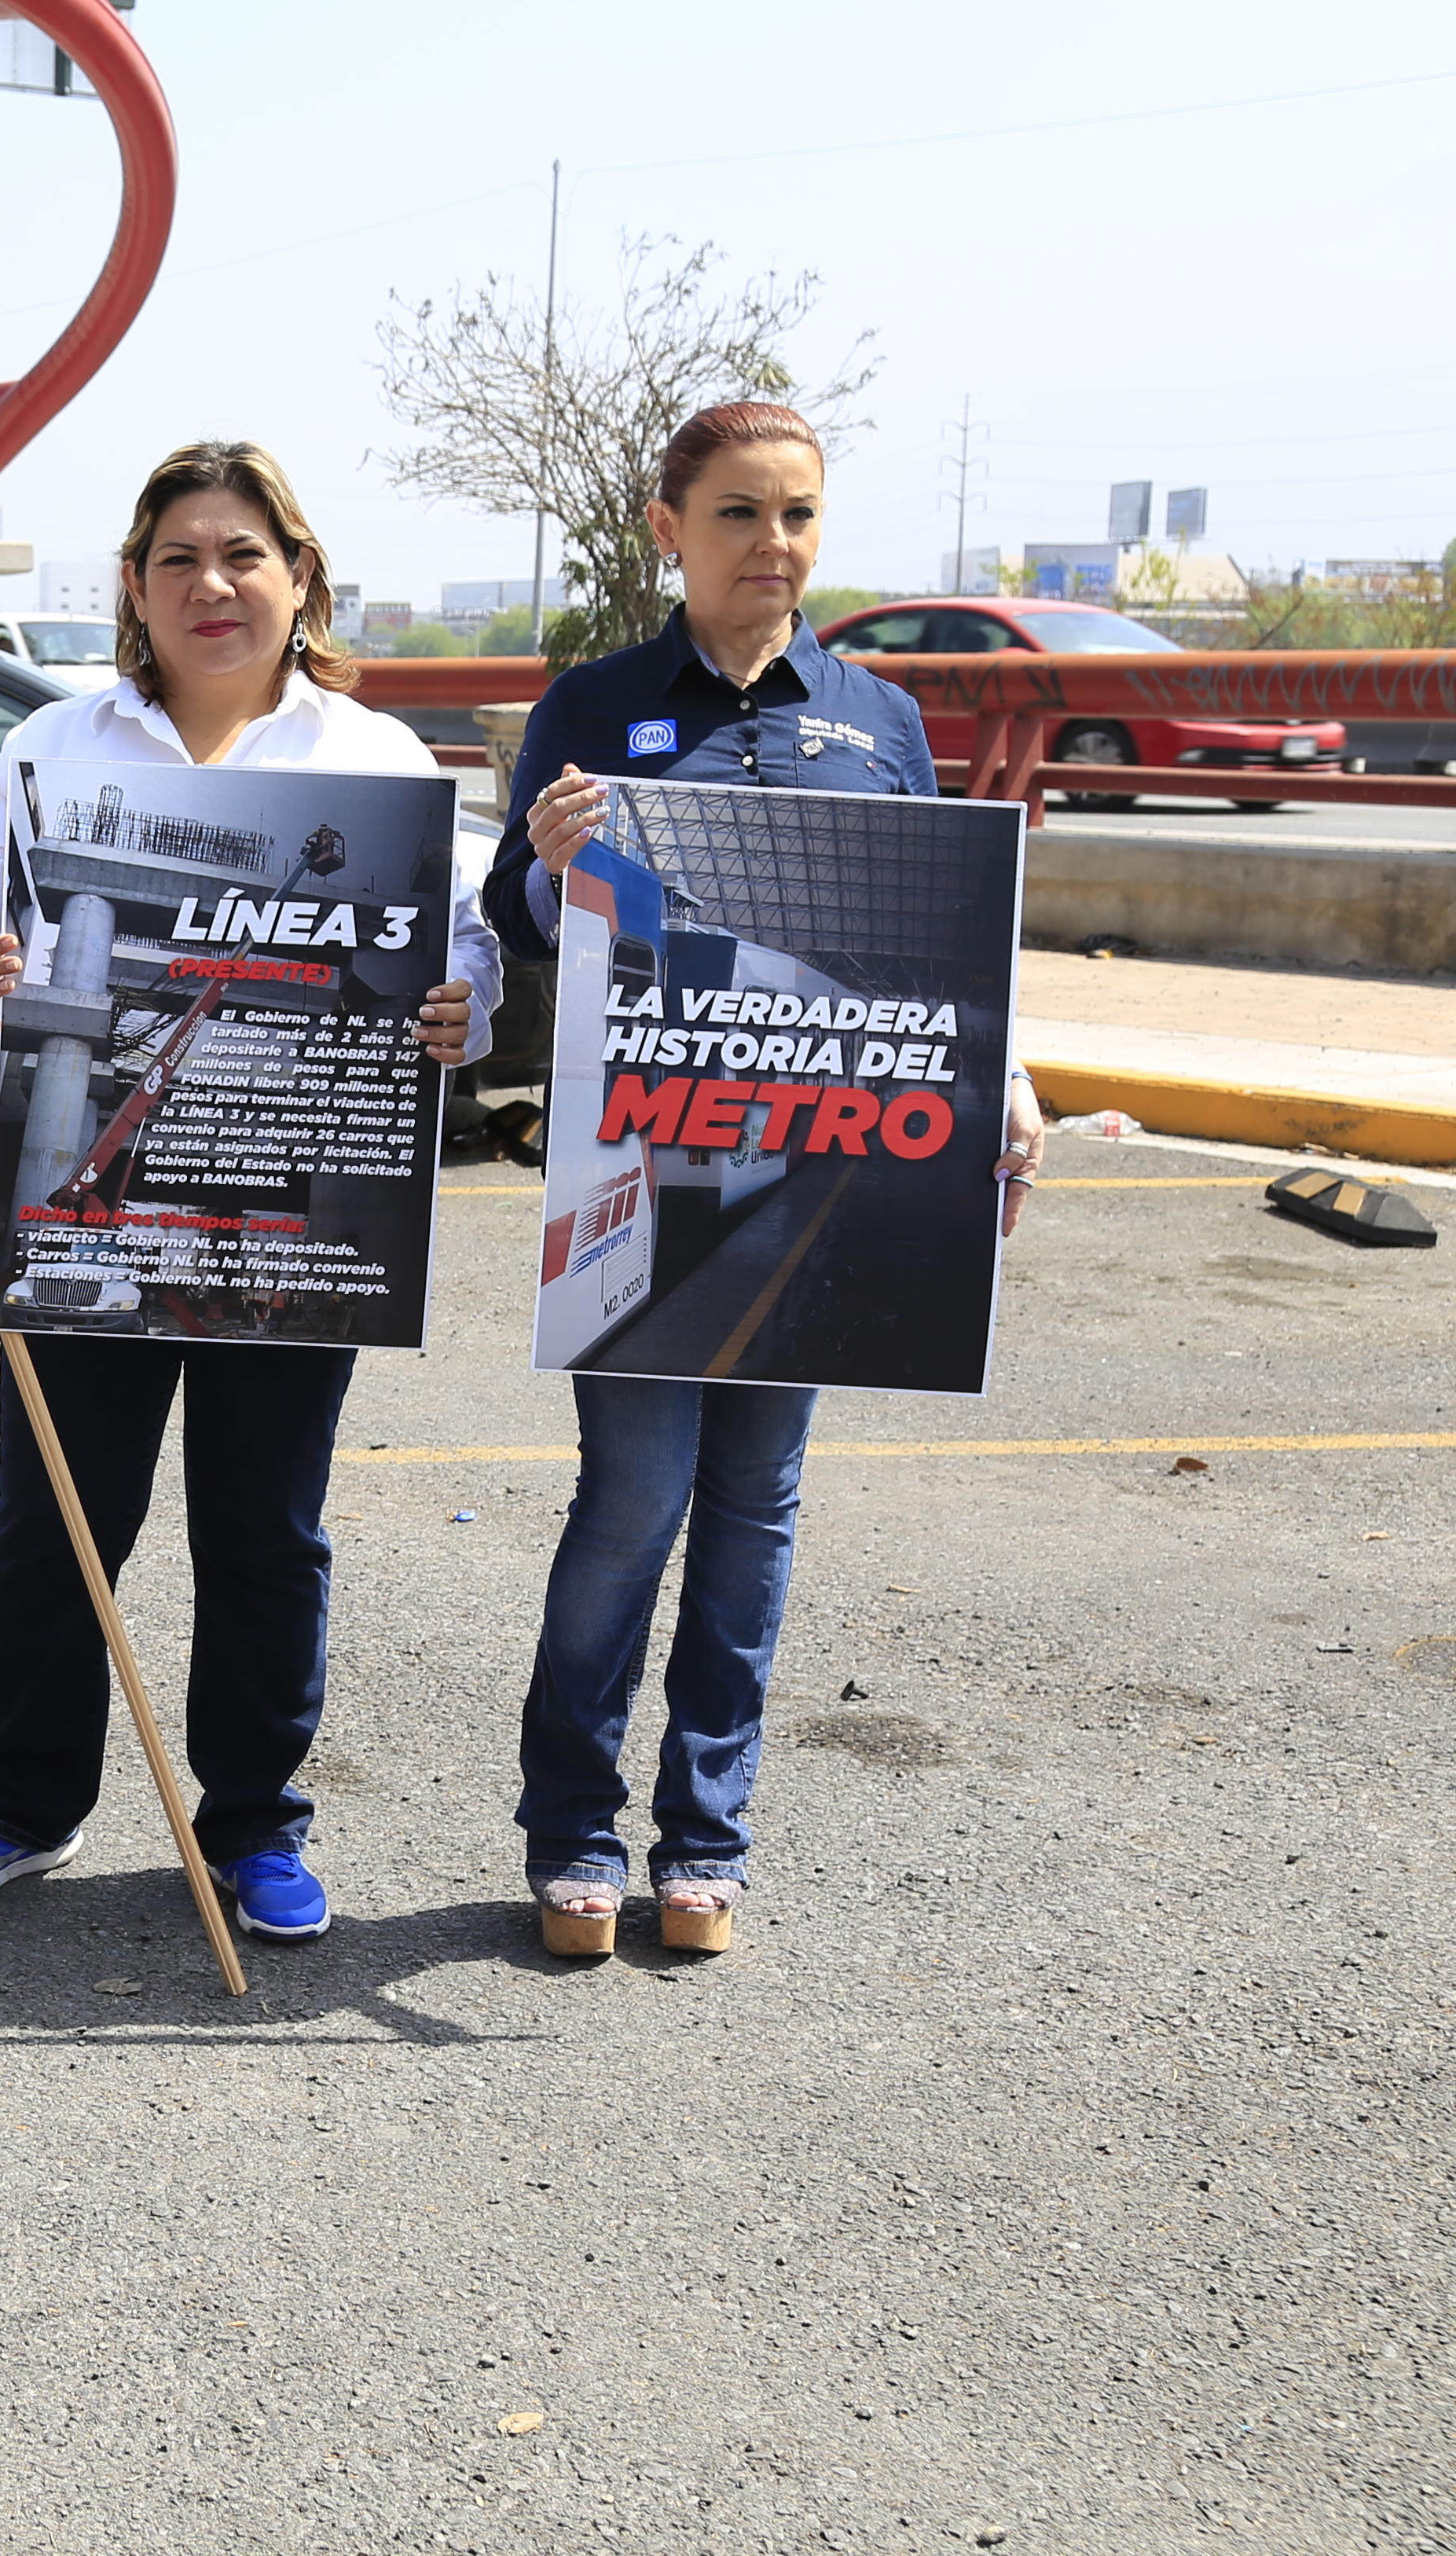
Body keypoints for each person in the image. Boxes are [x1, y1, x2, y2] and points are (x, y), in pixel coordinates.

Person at [0, 439, 497, 1945]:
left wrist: (457, 1011)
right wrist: (2, 976)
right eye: (180, 560)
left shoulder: (376, 762)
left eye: (245, 557)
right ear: (134, 589)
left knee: (265, 1531)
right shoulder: (53, 754)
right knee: (55, 1522)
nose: (213, 586)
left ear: (301, 582)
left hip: (298, 1209)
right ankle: (23, 1804)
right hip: (93, 1204)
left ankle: (255, 1826)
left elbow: (468, 947)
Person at [486, 398, 1044, 1959]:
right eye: (740, 514)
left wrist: (1006, 1080)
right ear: (672, 529)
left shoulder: (879, 719)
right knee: (633, 1504)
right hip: (648, 1185)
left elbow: (944, 947)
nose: (774, 546)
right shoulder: (594, 705)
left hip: (825, 1181)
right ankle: (571, 1834)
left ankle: (704, 1840)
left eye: (798, 515)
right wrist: (547, 849)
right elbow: (524, 919)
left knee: (756, 1511)